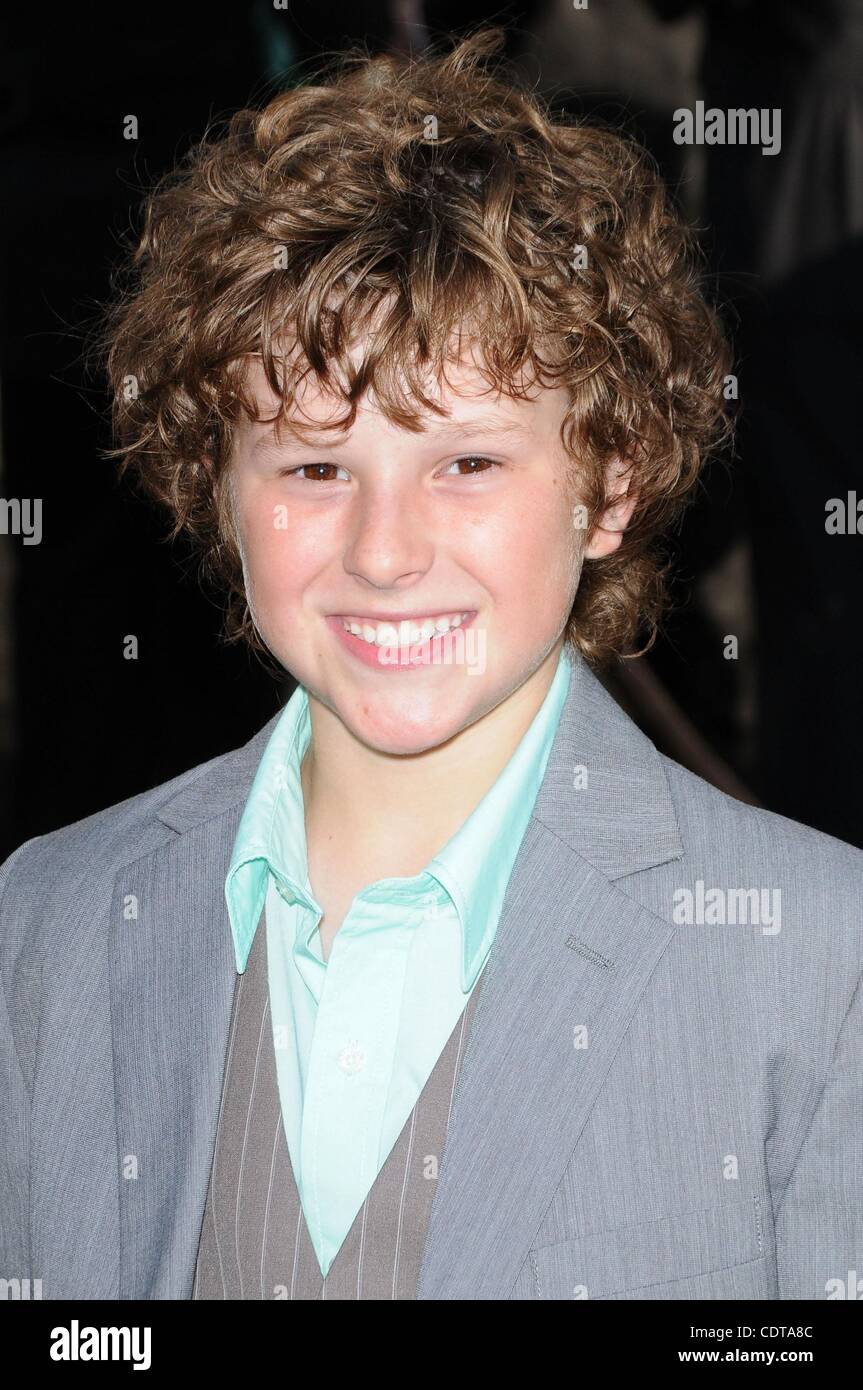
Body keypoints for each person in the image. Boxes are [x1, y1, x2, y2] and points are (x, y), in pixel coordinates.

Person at [1, 28, 860, 1302]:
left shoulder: (816, 956)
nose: (384, 550)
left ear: (608, 482)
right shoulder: (48, 923)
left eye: (466, 462)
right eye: (311, 467)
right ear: (216, 493)